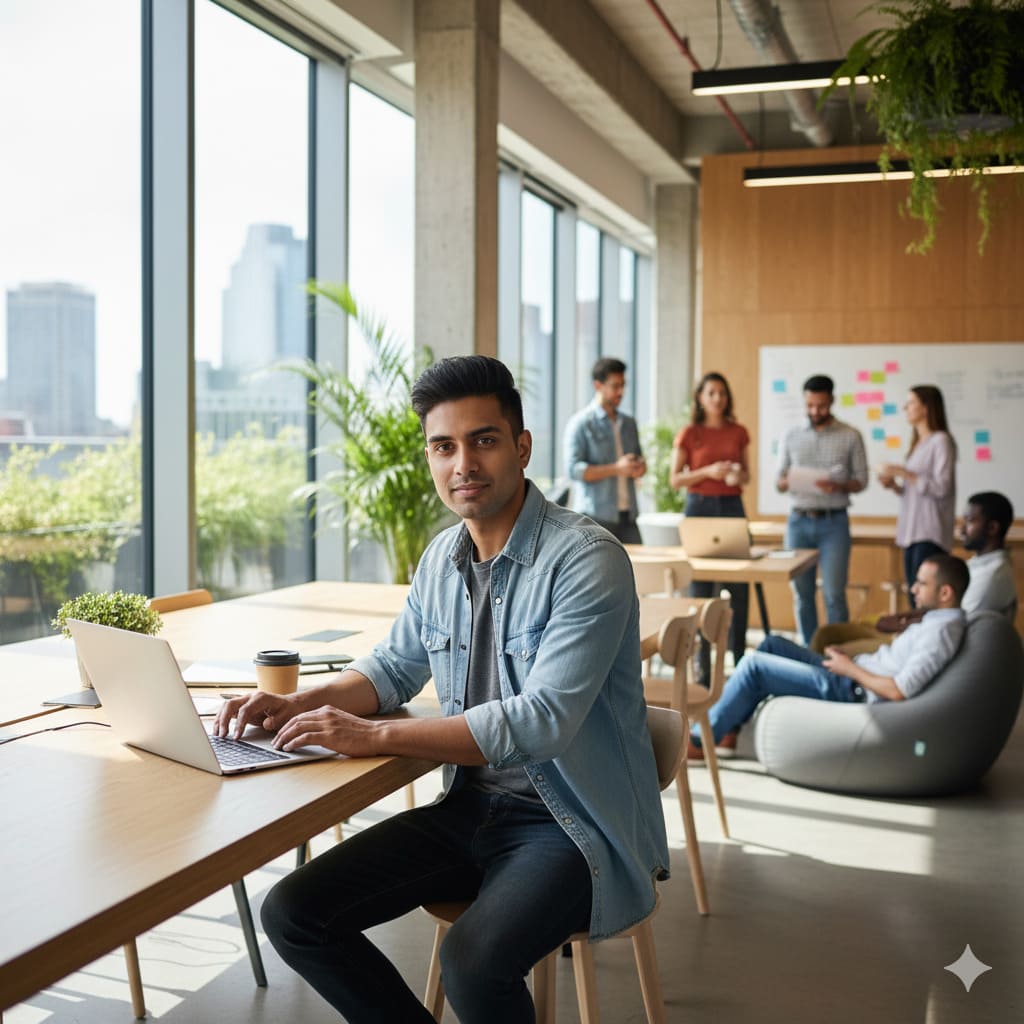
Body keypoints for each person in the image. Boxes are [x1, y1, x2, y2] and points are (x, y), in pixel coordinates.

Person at [215, 355, 669, 1024]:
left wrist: (372, 736)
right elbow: (393, 669)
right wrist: (299, 703)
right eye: (444, 446)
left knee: (472, 962)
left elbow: (542, 722)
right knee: (293, 914)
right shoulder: (441, 558)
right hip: (472, 808)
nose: (464, 464)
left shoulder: (587, 559)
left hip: (570, 825)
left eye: (483, 440)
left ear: (521, 447)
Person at [689, 553, 969, 755]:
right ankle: (726, 730)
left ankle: (700, 740)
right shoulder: (938, 619)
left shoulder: (940, 633)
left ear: (945, 593)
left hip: (852, 687)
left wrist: (849, 668)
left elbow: (899, 690)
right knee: (773, 643)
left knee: (754, 667)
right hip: (853, 673)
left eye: (922, 584)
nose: (913, 588)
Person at [812, 490, 1017, 652]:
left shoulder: (993, 576)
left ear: (992, 528)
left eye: (970, 522)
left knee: (832, 648)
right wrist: (902, 616)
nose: (961, 529)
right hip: (914, 632)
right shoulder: (979, 563)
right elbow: (938, 608)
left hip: (920, 644)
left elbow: (952, 623)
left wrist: (900, 626)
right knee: (827, 633)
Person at [777, 374, 869, 644]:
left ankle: (839, 654)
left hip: (834, 522)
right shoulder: (791, 435)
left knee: (833, 594)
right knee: (802, 594)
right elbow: (778, 482)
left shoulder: (850, 436)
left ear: (832, 401)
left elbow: (861, 480)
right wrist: (790, 480)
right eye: (810, 406)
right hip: (799, 521)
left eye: (821, 406)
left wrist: (839, 486)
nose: (815, 412)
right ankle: (810, 652)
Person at [670, 371, 751, 673]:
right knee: (701, 590)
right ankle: (701, 667)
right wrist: (708, 472)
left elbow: (747, 475)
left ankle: (741, 663)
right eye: (712, 393)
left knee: (739, 588)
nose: (718, 398)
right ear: (701, 398)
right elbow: (675, 479)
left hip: (732, 505)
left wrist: (733, 474)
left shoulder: (738, 431)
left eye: (722, 393)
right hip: (699, 508)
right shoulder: (690, 433)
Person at [878, 385, 957, 604]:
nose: (906, 408)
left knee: (926, 598)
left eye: (911, 403)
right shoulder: (918, 444)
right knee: (915, 595)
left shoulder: (941, 441)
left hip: (930, 532)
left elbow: (942, 487)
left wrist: (904, 472)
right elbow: (914, 491)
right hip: (911, 532)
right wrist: (894, 484)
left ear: (926, 407)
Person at [564, 356, 646, 543]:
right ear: (598, 385)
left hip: (629, 515)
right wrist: (617, 469)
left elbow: (640, 462)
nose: (621, 392)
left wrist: (640, 467)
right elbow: (574, 470)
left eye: (623, 385)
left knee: (636, 569)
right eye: (615, 386)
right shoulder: (580, 424)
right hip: (595, 517)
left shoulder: (629, 423)